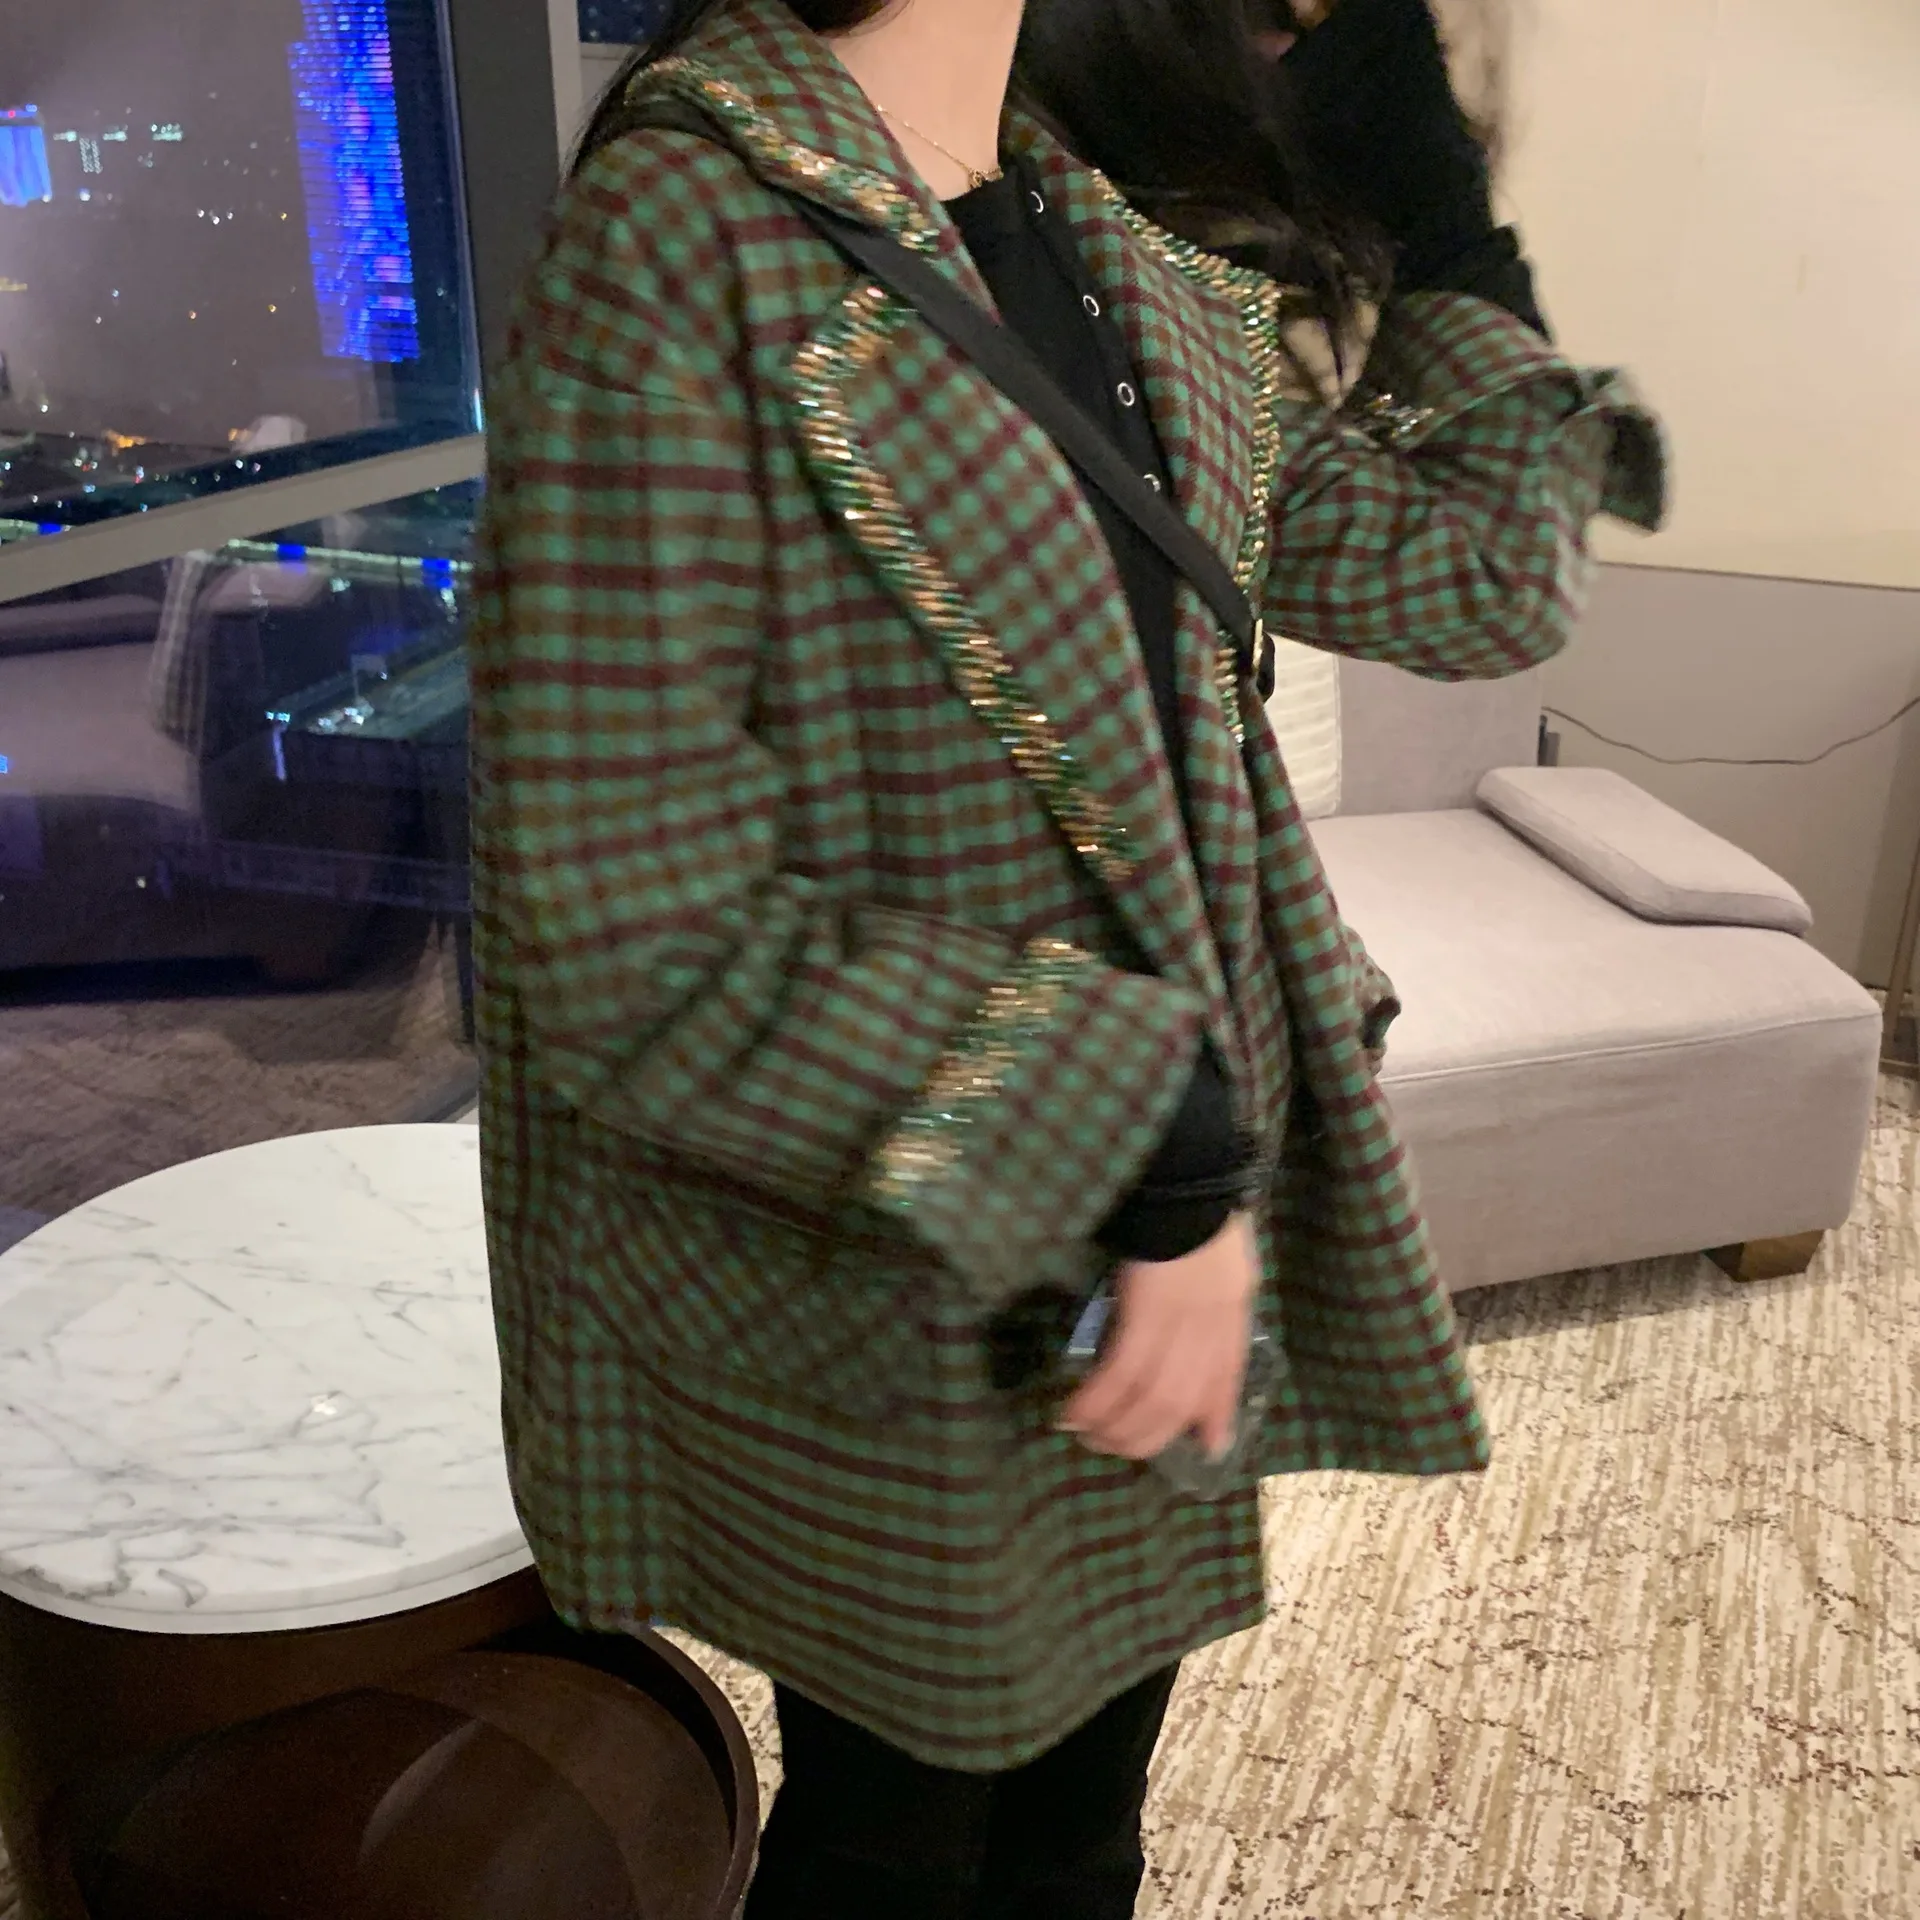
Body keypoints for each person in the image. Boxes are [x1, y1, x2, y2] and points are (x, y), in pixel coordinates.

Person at [467, 1, 1664, 1915]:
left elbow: (1480, 581)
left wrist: (1443, 222)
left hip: (1155, 1244)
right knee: (897, 1842)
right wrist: (1152, 1141)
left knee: (1082, 1818)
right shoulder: (686, 230)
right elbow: (626, 917)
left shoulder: (1094, 229)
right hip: (905, 1246)